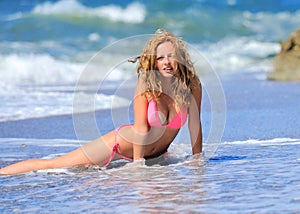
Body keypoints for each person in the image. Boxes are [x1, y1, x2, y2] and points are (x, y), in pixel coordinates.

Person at [0, 29, 203, 175]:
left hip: (155, 156)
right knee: (54, 165)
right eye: (160, 58)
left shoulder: (191, 85)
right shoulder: (146, 83)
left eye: (171, 56)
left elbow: (195, 124)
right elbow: (141, 128)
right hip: (120, 146)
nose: (166, 62)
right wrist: (139, 164)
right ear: (153, 61)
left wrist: (197, 159)